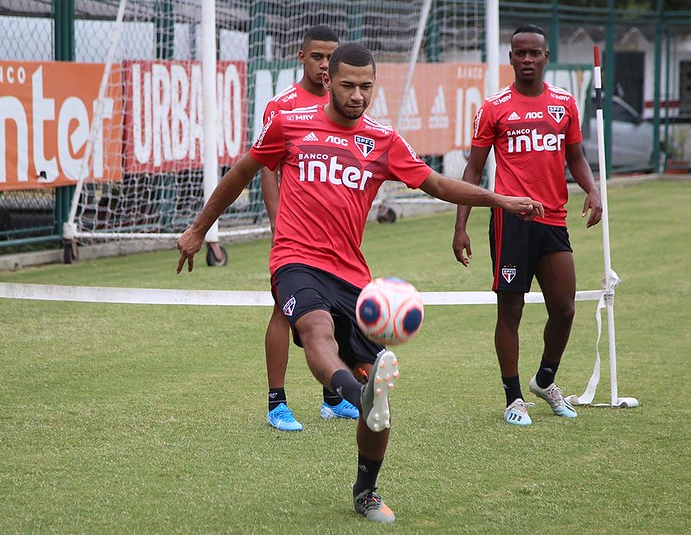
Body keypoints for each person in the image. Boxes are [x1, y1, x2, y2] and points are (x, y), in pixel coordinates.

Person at [177, 42, 544, 523]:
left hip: (352, 277)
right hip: (295, 261)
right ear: (328, 81)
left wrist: (500, 200)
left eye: (366, 87)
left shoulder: (383, 139)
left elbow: (436, 184)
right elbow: (243, 172)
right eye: (347, 85)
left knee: (382, 403)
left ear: (375, 86)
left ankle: (366, 488)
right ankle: (354, 395)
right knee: (316, 333)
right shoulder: (290, 123)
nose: (356, 95)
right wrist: (199, 228)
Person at [452, 25, 603, 426]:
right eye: (520, 53)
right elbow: (473, 169)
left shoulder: (564, 104)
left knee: (565, 308)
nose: (527, 59)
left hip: (553, 219)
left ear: (546, 56)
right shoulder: (494, 107)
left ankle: (544, 380)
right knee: (511, 311)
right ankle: (513, 397)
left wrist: (593, 190)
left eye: (534, 53)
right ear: (511, 58)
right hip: (511, 220)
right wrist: (460, 226)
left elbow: (577, 157)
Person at [259, 26, 358, 432]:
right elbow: (266, 169)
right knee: (285, 314)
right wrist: (278, 224)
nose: (323, 65)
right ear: (302, 57)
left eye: (329, 58)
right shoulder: (282, 108)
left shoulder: (351, 107)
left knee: (336, 315)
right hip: (295, 240)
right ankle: (276, 403)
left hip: (337, 242)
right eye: (316, 57)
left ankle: (333, 399)